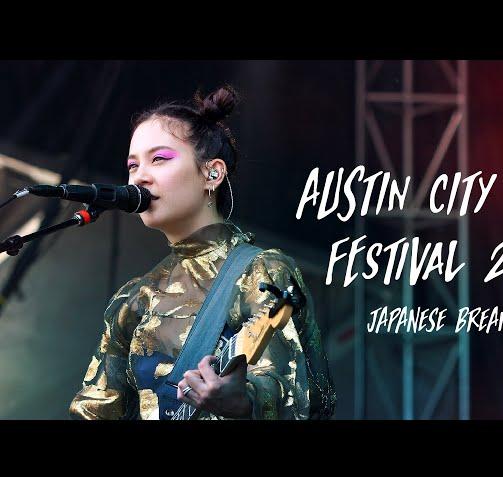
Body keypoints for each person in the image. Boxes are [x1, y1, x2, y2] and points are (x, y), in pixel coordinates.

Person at [69, 86, 336, 420]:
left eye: (159, 159)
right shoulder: (134, 299)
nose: (140, 177)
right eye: (132, 165)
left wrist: (244, 402)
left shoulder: (260, 272)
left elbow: (302, 396)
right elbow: (94, 408)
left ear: (212, 172)